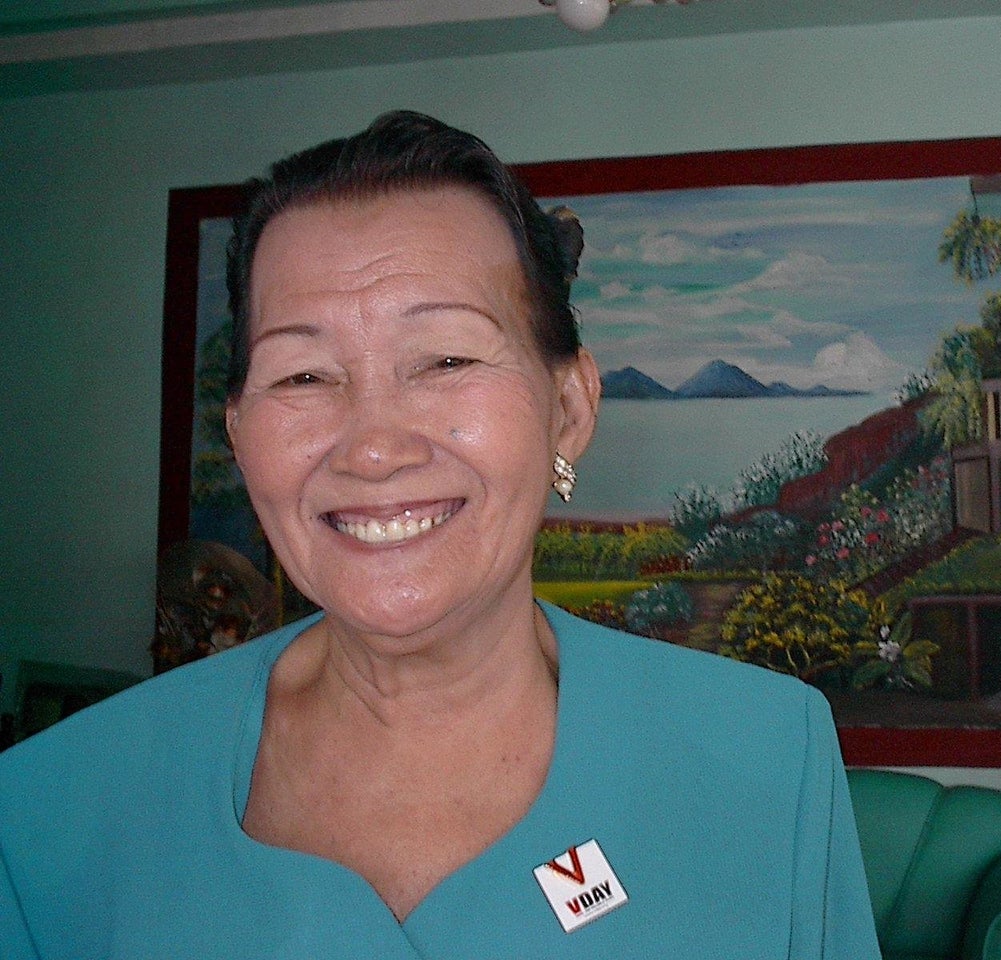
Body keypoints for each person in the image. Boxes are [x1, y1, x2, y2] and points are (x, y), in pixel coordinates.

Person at [0, 111, 882, 959]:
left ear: (568, 409)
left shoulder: (765, 762)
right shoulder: (52, 814)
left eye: (448, 359)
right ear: (241, 441)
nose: (374, 447)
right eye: (303, 374)